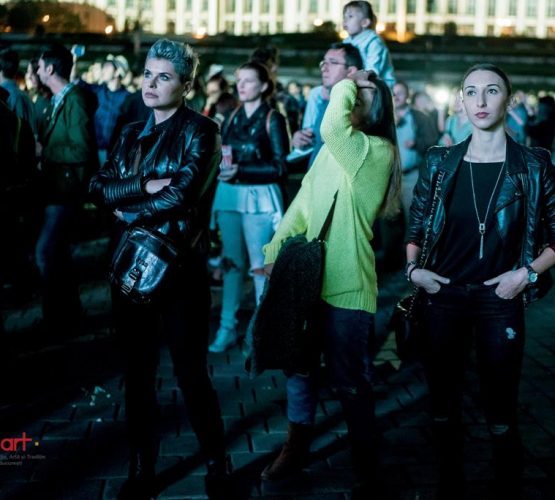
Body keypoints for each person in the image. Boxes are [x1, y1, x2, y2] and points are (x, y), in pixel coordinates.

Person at [405, 63, 555, 500]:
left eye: (492, 91)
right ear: (461, 102)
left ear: (509, 99)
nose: (481, 101)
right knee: (442, 403)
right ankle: (449, 482)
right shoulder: (440, 161)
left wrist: (526, 274)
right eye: (471, 92)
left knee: (501, 406)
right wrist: (414, 272)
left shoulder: (533, 164)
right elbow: (417, 227)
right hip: (442, 293)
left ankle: (507, 485)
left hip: (500, 297)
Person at [89, 39, 230, 500]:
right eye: (148, 74)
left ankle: (217, 460)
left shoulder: (202, 131)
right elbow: (97, 186)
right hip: (130, 267)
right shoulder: (131, 130)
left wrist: (128, 204)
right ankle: (141, 465)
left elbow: (183, 195)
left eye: (163, 76)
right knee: (137, 373)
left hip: (179, 270)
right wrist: (146, 183)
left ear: (186, 85)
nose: (151, 84)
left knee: (191, 373)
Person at [260, 70, 400, 499]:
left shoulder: (375, 150)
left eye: (364, 92)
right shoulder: (332, 151)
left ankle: (367, 467)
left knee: (349, 382)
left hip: (347, 285)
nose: (354, 95)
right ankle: (296, 447)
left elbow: (331, 128)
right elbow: (303, 203)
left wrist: (346, 80)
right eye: (352, 90)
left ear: (380, 106)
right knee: (299, 367)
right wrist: (273, 251)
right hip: (307, 278)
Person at [208, 61, 289, 353]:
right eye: (239, 80)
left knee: (259, 267)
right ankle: (227, 327)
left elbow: (280, 166)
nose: (241, 86)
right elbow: (225, 152)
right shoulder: (231, 116)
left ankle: (260, 334)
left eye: (248, 81)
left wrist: (241, 170)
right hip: (231, 194)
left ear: (264, 86)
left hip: (258, 197)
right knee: (231, 264)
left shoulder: (273, 118)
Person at [35, 43, 98, 335]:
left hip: (65, 190)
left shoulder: (74, 100)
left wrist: (45, 151)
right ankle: (67, 314)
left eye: (39, 67)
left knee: (46, 253)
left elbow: (82, 149)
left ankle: (57, 317)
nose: (36, 72)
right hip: (56, 188)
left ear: (50, 69)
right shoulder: (61, 99)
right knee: (58, 254)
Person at [292, 42, 362, 168]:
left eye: (333, 62)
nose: (324, 68)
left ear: (351, 71)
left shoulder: (358, 108)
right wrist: (301, 140)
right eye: (323, 63)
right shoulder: (326, 101)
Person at [342, 1, 396, 89]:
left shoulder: (374, 42)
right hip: (356, 82)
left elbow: (372, 71)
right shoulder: (347, 41)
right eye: (344, 17)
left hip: (379, 86)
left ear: (365, 22)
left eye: (350, 16)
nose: (345, 20)